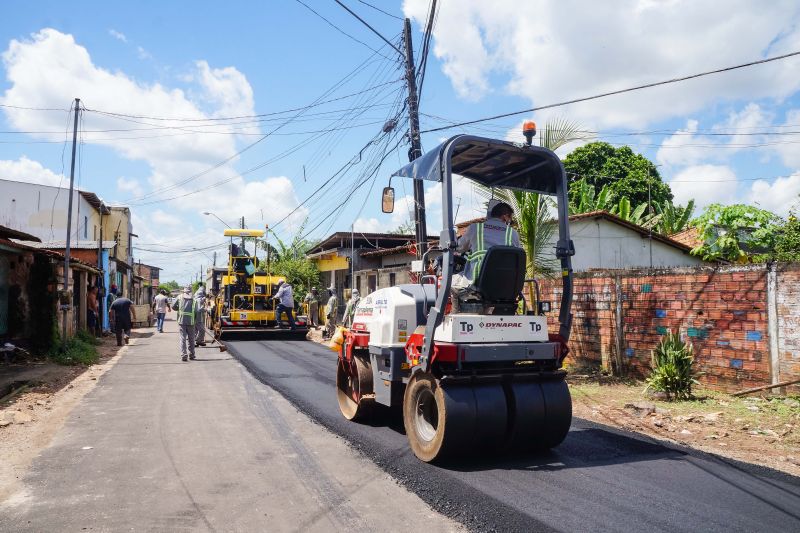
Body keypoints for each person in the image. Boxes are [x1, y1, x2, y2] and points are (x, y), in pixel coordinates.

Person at [452, 202, 521, 311]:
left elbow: (459, 248)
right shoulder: (513, 234)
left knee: (451, 283)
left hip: (478, 280)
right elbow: (518, 255)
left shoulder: (475, 228)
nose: (510, 222)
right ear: (504, 216)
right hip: (506, 283)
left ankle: (455, 315)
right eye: (510, 219)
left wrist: (453, 241)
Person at [174, 286, 196, 361]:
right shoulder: (194, 298)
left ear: (184, 291)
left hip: (182, 320)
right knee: (191, 339)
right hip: (191, 321)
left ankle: (184, 355)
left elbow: (173, 306)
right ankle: (192, 354)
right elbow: (197, 310)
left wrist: (179, 309)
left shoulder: (179, 297)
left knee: (182, 338)